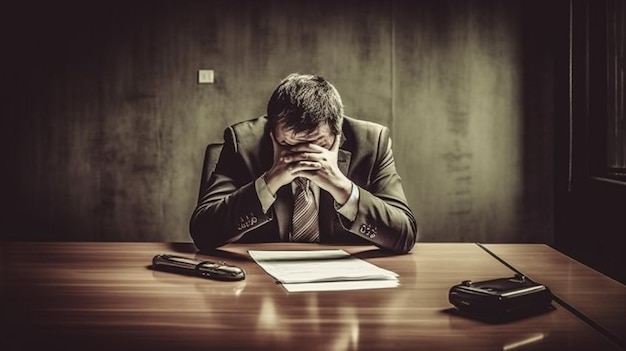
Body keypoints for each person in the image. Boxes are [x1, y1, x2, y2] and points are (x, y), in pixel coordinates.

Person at [190, 73, 417, 254]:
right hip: (260, 283)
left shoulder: (371, 142)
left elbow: (404, 235)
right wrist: (270, 182)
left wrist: (342, 187)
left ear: (338, 133)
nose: (304, 156)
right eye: (288, 144)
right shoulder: (242, 143)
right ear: (271, 131)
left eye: (318, 145)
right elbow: (203, 232)